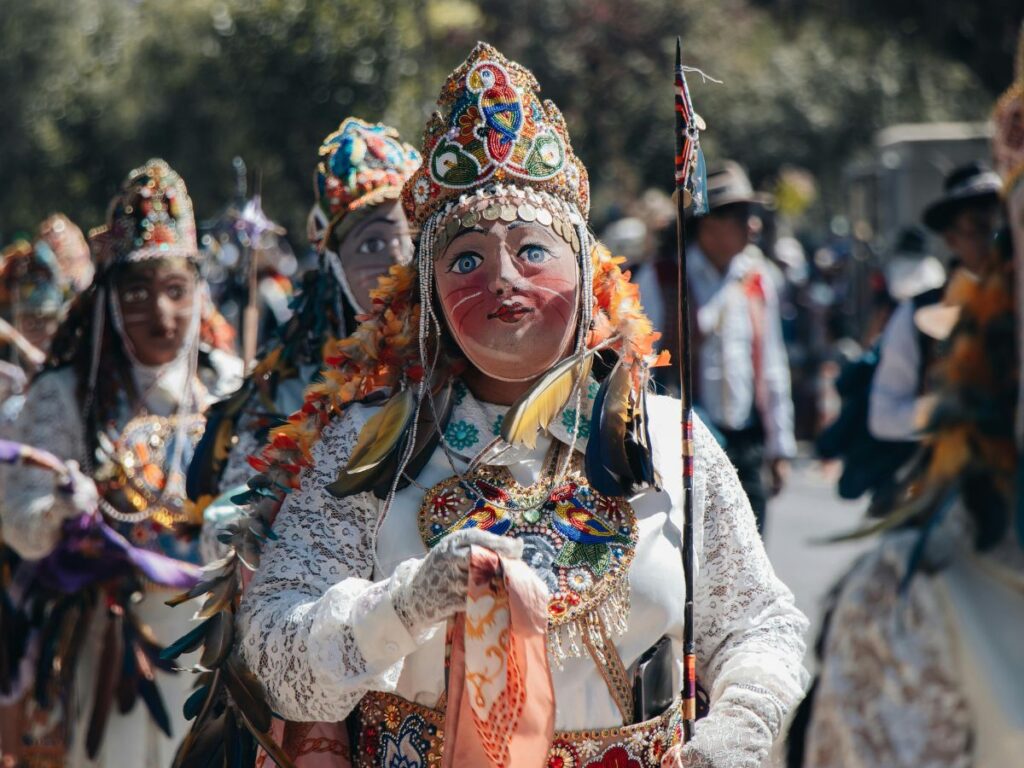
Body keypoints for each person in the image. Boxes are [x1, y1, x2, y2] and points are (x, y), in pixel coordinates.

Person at [213, 43, 807, 768]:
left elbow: (759, 625)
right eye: (465, 259)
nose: (501, 279)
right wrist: (403, 605)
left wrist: (737, 730)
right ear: (428, 296)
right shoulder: (366, 447)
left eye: (532, 251)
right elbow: (276, 653)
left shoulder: (665, 439)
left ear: (587, 273)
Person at [790, 42, 1024, 767]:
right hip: (936, 498)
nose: (978, 237)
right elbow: (887, 413)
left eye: (990, 220)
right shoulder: (918, 314)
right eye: (969, 226)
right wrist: (947, 417)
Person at [0, 159, 241, 766]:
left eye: (176, 291)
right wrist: (58, 508)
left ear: (199, 294)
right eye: (137, 293)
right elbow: (18, 522)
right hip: (112, 648)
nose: (161, 314)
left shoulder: (232, 391)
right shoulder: (66, 395)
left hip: (218, 652)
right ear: (107, 301)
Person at [187, 117, 420, 542]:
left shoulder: (473, 358)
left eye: (412, 238)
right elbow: (226, 529)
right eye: (372, 244)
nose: (398, 259)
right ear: (334, 266)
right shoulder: (286, 392)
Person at [686, 161, 797, 533]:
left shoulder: (758, 277)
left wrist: (780, 447)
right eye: (742, 217)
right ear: (709, 223)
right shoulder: (666, 277)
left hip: (746, 442)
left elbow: (771, 365)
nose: (754, 226)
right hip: (687, 446)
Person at [868, 162, 1002, 443]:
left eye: (1005, 227)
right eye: (980, 228)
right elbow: (884, 416)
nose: (996, 240)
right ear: (952, 239)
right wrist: (948, 408)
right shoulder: (918, 314)